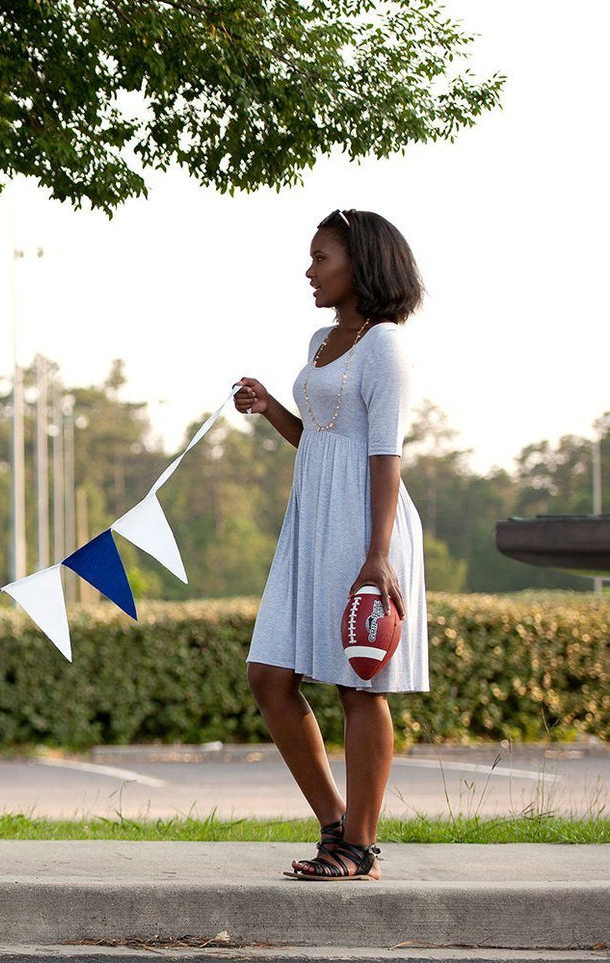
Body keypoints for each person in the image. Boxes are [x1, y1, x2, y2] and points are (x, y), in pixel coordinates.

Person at [234, 208, 428, 881]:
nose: (309, 270)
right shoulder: (321, 339)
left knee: (357, 683)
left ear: (360, 263)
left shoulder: (382, 345)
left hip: (363, 523)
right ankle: (335, 825)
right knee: (269, 674)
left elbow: (382, 453)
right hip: (309, 519)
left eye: (321, 257)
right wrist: (268, 408)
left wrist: (376, 556)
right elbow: (319, 437)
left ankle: (359, 846)